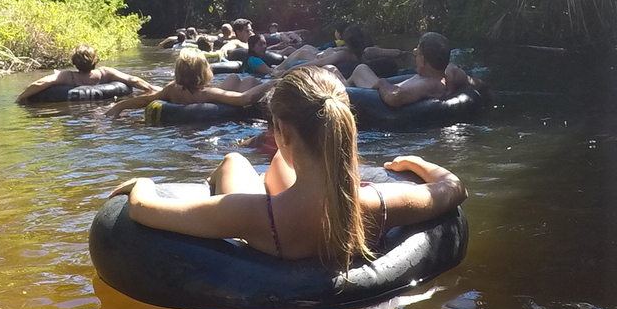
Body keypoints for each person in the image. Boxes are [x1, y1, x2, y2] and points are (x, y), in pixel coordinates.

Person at [109, 66, 467, 269]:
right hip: (314, 212)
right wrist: (420, 163)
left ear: (280, 131)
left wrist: (142, 183)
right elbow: (453, 189)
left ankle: (221, 175)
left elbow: (143, 210)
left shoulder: (245, 214)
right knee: (280, 163)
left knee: (234, 160)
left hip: (274, 224)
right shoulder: (378, 204)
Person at [105, 48, 272, 117]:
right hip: (224, 111)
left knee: (233, 78)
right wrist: (273, 82)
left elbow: (146, 99)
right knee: (248, 80)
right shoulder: (206, 94)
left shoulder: (172, 88)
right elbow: (244, 99)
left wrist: (119, 106)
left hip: (186, 112)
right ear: (203, 71)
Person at [341, 32, 488, 107]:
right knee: (360, 70)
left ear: (423, 60)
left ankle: (344, 85)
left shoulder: (427, 84)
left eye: (417, 52)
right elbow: (476, 83)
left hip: (375, 95)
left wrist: (381, 83)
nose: (414, 54)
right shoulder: (452, 72)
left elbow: (394, 97)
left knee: (358, 70)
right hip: (380, 90)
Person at [16, 45, 160, 102]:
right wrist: (152, 89)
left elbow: (40, 83)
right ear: (95, 60)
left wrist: (20, 98)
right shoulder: (105, 73)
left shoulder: (67, 76)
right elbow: (133, 80)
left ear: (74, 62)